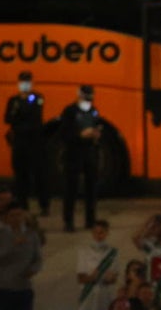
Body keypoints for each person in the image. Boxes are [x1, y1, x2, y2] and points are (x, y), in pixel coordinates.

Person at [4, 70, 50, 215]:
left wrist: (19, 119)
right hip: (19, 144)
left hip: (34, 143)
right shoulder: (13, 101)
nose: (25, 84)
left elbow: (35, 119)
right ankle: (23, 205)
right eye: (22, 81)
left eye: (27, 81)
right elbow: (7, 118)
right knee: (20, 176)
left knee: (39, 175)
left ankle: (44, 205)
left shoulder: (37, 98)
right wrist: (17, 113)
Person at [59, 84, 103, 232]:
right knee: (71, 188)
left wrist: (96, 134)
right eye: (85, 97)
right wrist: (80, 135)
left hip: (90, 153)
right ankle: (68, 221)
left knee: (91, 189)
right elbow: (64, 133)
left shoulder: (93, 111)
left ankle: (90, 220)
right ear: (79, 95)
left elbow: (98, 125)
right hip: (73, 153)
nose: (88, 101)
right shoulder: (69, 111)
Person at [0, 203, 42, 310]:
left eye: (19, 215)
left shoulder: (31, 234)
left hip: (24, 286)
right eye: (12, 216)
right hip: (4, 288)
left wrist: (33, 269)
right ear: (6, 218)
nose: (16, 219)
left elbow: (38, 258)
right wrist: (12, 245)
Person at [77, 219, 119, 310]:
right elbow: (80, 278)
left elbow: (115, 278)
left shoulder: (113, 253)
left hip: (105, 294)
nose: (98, 235)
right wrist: (92, 277)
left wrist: (110, 278)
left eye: (101, 232)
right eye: (95, 232)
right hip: (89, 294)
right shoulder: (84, 252)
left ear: (107, 233)